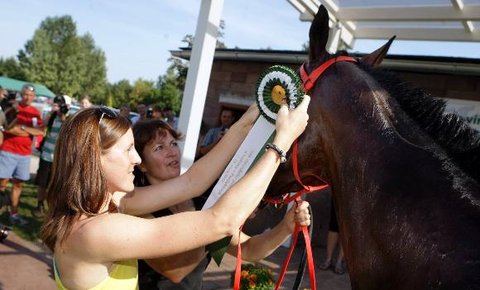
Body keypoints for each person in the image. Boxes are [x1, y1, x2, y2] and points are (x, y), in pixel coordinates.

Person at [41, 96, 309, 290]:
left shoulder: (112, 204)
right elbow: (221, 221)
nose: (135, 159)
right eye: (127, 150)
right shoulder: (95, 231)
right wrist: (281, 143)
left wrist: (248, 121)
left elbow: (192, 181)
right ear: (93, 160)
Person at [132, 119, 311, 289]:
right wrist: (224, 218)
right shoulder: (139, 212)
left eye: (173, 144)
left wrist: (286, 228)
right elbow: (175, 271)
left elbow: (249, 250)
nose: (171, 152)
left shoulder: (203, 200)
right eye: (159, 148)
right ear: (141, 164)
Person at [0, 84, 44, 225]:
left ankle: (14, 213)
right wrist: (30, 130)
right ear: (21, 94)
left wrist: (22, 128)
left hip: (25, 155)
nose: (28, 97)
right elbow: (8, 128)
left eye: (31, 95)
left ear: (34, 96)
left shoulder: (35, 112)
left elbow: (41, 131)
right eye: (25, 94)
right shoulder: (13, 108)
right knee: (2, 183)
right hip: (8, 151)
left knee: (18, 184)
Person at [31, 95, 71, 218]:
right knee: (42, 183)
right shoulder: (51, 115)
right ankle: (39, 204)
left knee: (54, 185)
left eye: (59, 105)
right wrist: (52, 114)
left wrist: (63, 116)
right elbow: (42, 127)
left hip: (59, 158)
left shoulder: (69, 117)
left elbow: (69, 132)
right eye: (55, 104)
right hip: (46, 155)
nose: (57, 107)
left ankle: (52, 208)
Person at [318, 198, 346, 275]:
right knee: (334, 226)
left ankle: (339, 262)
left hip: (357, 196)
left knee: (347, 230)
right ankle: (328, 259)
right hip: (340, 195)